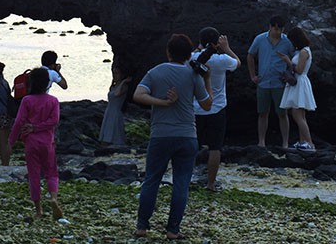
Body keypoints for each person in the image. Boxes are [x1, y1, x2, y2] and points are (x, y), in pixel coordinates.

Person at [134, 33, 211, 239]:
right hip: (187, 135)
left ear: (168, 52)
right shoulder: (193, 74)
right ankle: (173, 230)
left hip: (160, 134)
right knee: (181, 183)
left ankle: (142, 226)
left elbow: (138, 95)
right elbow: (207, 104)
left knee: (152, 180)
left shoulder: (155, 71)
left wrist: (162, 103)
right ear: (188, 55)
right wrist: (208, 79)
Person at [10, 67, 64, 220]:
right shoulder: (53, 101)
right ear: (47, 83)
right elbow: (54, 121)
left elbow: (19, 121)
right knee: (51, 172)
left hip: (31, 142)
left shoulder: (27, 100)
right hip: (47, 142)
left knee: (34, 175)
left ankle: (39, 210)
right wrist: (39, 127)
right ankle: (53, 198)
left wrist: (12, 140)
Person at [192, 28, 239, 190]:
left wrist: (199, 48)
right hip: (217, 108)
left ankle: (186, 177)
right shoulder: (222, 59)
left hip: (196, 108)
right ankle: (211, 183)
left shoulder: (193, 58)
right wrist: (226, 48)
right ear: (216, 43)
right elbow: (237, 63)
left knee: (192, 145)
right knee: (215, 147)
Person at [247, 15, 292, 148]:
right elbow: (250, 55)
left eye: (279, 29)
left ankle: (285, 143)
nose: (276, 31)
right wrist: (252, 75)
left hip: (280, 83)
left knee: (282, 114)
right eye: (274, 28)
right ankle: (261, 142)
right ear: (270, 27)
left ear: (283, 29)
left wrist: (289, 74)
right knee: (262, 113)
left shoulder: (287, 42)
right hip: (263, 82)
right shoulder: (260, 39)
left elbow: (295, 58)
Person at [278, 27, 317, 153]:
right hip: (300, 83)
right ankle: (303, 142)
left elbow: (299, 70)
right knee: (301, 115)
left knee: (297, 114)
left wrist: (288, 61)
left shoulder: (304, 52)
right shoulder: (304, 51)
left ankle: (310, 143)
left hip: (300, 82)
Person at [99, 62, 132, 149]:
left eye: (117, 73)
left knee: (115, 136)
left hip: (116, 113)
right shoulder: (113, 86)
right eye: (113, 73)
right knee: (105, 137)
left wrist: (124, 81)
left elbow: (117, 94)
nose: (115, 75)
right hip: (109, 111)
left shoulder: (124, 86)